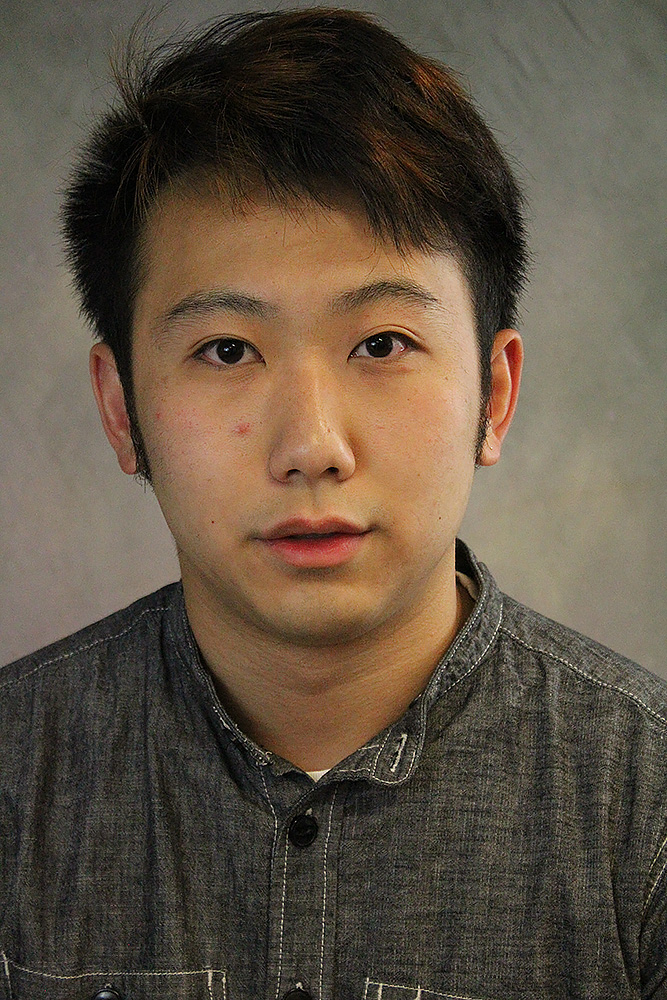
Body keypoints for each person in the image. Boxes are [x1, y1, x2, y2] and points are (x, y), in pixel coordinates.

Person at [1, 8, 665, 999]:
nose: (312, 446)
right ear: (119, 407)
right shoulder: (18, 777)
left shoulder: (645, 809)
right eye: (227, 350)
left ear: (494, 394)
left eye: (381, 344)